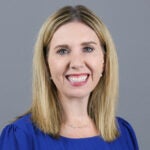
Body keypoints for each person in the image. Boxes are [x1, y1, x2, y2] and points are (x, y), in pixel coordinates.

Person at [0, 5, 139, 150]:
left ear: (104, 60)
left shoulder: (123, 134)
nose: (76, 63)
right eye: (62, 51)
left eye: (88, 49)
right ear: (46, 64)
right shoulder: (20, 137)